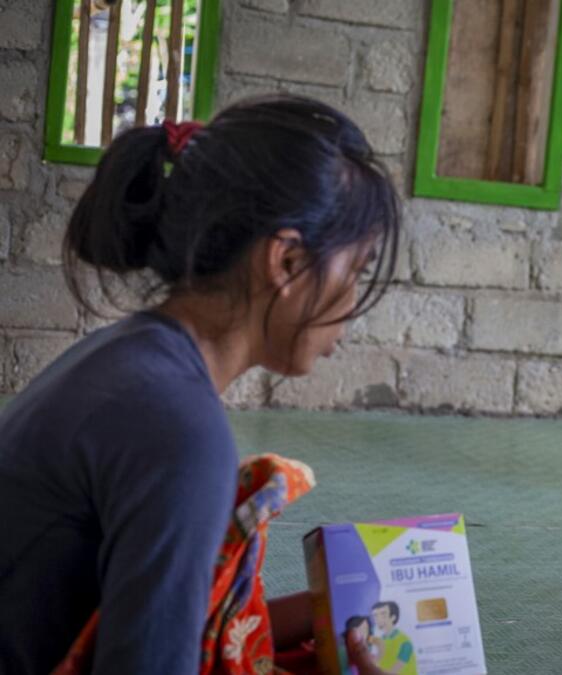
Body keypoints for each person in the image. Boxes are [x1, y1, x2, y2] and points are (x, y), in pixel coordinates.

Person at [0, 95, 400, 673]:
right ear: (285, 262)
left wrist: (321, 623)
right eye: (355, 270)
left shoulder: (131, 358)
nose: (355, 302)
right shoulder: (178, 428)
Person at [370, 601, 417, 675]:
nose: (378, 619)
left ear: (393, 617)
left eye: (383, 615)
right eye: (375, 615)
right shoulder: (381, 640)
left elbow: (393, 671)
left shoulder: (404, 643)